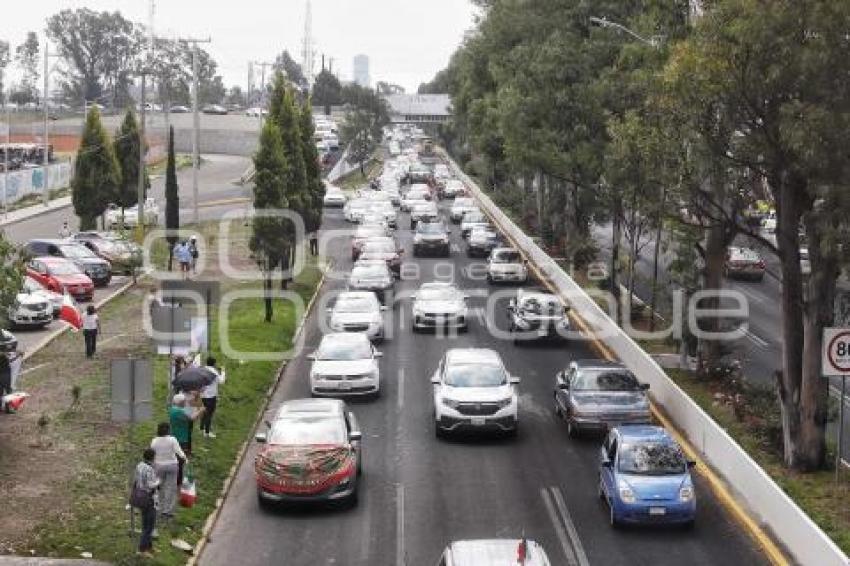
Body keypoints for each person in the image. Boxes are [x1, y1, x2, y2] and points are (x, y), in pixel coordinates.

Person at [150, 422, 186, 518]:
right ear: (168, 430)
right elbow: (179, 452)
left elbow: (152, 453)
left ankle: (159, 508)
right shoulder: (172, 439)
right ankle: (168, 511)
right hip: (172, 465)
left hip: (159, 466)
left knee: (159, 487)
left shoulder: (154, 441)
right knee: (171, 488)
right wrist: (185, 458)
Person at [169, 393, 203, 485]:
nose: (185, 403)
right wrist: (201, 410)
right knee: (180, 461)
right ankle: (178, 482)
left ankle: (175, 479)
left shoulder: (172, 410)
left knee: (175, 459)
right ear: (180, 403)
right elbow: (192, 418)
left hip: (174, 436)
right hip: (181, 438)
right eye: (184, 402)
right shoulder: (179, 412)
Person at [133, 448, 160, 557]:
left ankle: (149, 547)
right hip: (149, 498)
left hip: (141, 497)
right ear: (152, 458)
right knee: (149, 526)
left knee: (145, 522)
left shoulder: (139, 465)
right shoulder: (149, 469)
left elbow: (137, 480)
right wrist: (158, 481)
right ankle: (142, 549)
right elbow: (150, 485)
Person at [200, 357, 226, 439]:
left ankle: (202, 428)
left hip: (203, 395)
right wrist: (223, 372)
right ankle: (207, 432)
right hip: (211, 396)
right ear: (214, 363)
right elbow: (222, 381)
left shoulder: (202, 370)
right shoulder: (214, 372)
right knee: (209, 414)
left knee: (204, 411)